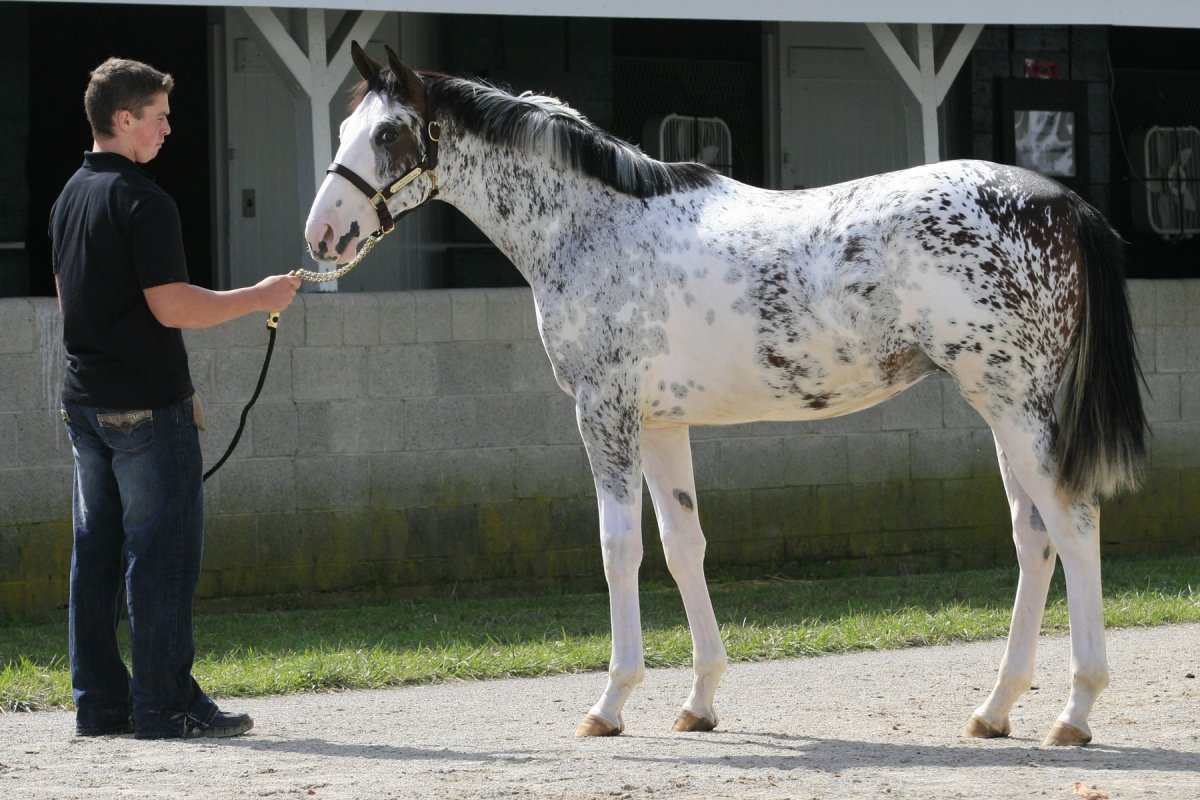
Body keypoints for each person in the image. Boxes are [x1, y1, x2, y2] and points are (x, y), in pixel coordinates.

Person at [49, 57, 301, 740]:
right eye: (159, 116)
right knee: (160, 555)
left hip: (84, 405)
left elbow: (71, 299)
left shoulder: (70, 194)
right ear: (124, 119)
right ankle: (164, 705)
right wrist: (261, 298)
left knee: (97, 555)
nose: (168, 127)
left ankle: (100, 704)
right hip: (148, 410)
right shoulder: (144, 202)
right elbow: (172, 307)